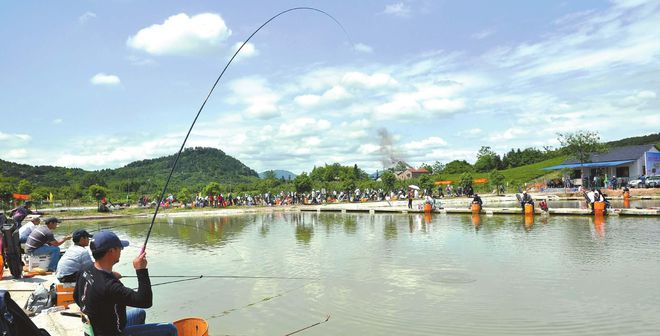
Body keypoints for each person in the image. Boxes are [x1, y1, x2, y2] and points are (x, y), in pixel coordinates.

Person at [74, 231, 177, 336]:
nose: (121, 251)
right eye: (120, 248)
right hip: (112, 333)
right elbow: (145, 301)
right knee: (170, 329)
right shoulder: (109, 286)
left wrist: (110, 275)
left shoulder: (85, 269)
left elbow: (76, 297)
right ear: (111, 251)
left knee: (139, 313)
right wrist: (141, 270)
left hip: (94, 330)